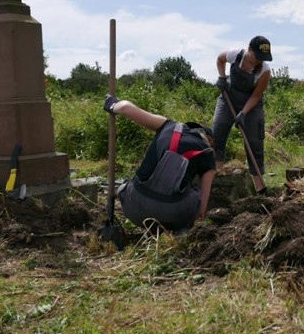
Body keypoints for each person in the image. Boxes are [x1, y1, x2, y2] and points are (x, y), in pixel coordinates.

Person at [103, 95, 216, 232]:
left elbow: (125, 108)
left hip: (134, 211)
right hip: (174, 219)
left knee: (127, 184)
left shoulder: (167, 125)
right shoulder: (208, 153)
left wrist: (111, 103)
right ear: (209, 139)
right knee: (193, 191)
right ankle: (179, 231)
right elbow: (201, 210)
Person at [212, 36, 272, 192]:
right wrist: (222, 77)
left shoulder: (264, 71)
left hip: (251, 106)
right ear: (249, 49)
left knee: (254, 142)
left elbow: (256, 96)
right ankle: (215, 179)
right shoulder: (235, 55)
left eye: (263, 58)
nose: (259, 60)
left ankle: (259, 186)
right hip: (229, 98)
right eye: (257, 56)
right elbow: (220, 59)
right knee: (217, 134)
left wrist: (243, 113)